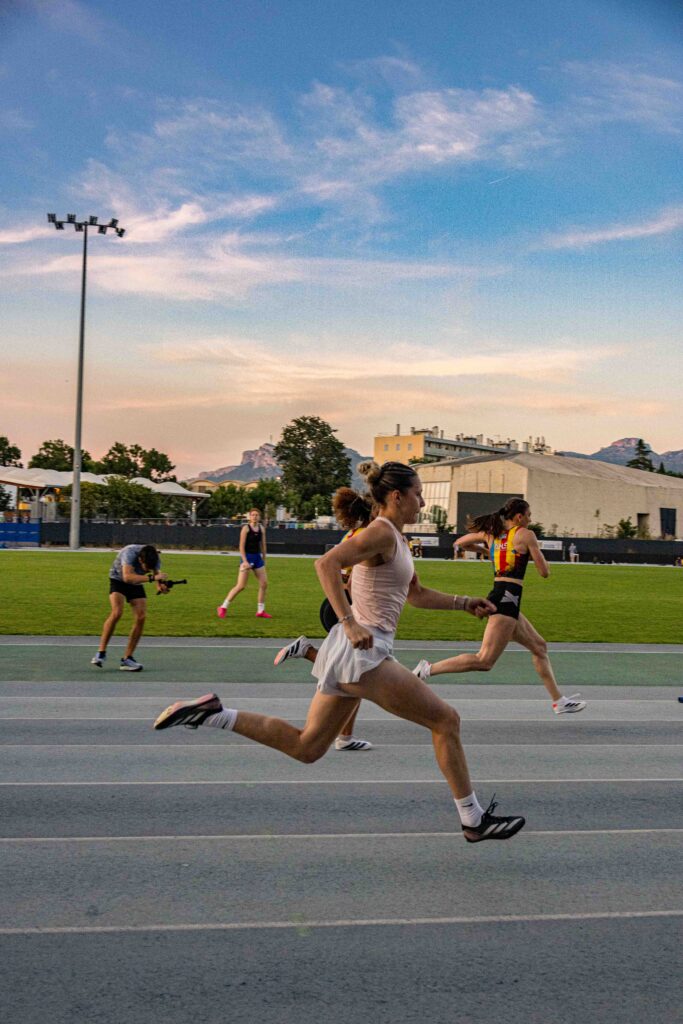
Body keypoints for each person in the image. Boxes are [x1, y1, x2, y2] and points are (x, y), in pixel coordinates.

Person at [154, 462, 526, 844]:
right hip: (364, 654)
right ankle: (473, 819)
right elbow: (326, 563)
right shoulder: (380, 532)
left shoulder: (395, 538)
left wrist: (463, 603)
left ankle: (213, 713)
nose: (422, 502)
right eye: (418, 494)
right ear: (397, 496)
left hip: (351, 655)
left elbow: (415, 594)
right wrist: (349, 622)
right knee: (446, 720)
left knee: (307, 747)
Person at [412, 498, 586, 715]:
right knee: (484, 660)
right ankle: (427, 669)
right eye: (529, 515)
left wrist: (489, 553)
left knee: (539, 647)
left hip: (504, 598)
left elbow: (461, 543)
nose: (530, 519)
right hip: (506, 600)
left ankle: (559, 701)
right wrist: (536, 556)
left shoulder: (492, 535)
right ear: (519, 517)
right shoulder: (526, 534)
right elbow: (544, 572)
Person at [273, 487, 373, 751]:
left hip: (336, 605)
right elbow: (351, 576)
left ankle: (345, 738)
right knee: (354, 674)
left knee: (353, 672)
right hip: (348, 607)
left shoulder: (352, 533)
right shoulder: (366, 536)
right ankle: (306, 651)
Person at [91, 544, 168, 671]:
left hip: (136, 583)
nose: (147, 570)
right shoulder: (129, 553)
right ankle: (101, 653)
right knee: (117, 612)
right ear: (140, 560)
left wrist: (161, 586)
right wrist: (153, 578)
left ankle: (127, 659)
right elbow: (127, 577)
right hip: (118, 580)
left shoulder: (154, 557)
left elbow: (156, 576)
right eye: (146, 567)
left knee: (141, 617)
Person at [217, 508, 272, 620]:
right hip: (247, 557)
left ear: (259, 517)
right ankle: (223, 607)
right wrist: (244, 561)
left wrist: (264, 558)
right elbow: (241, 546)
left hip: (257, 558)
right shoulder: (246, 529)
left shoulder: (261, 528)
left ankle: (260, 610)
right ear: (249, 517)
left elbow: (263, 544)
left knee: (264, 584)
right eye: (253, 515)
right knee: (241, 586)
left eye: (257, 515)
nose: (255, 517)